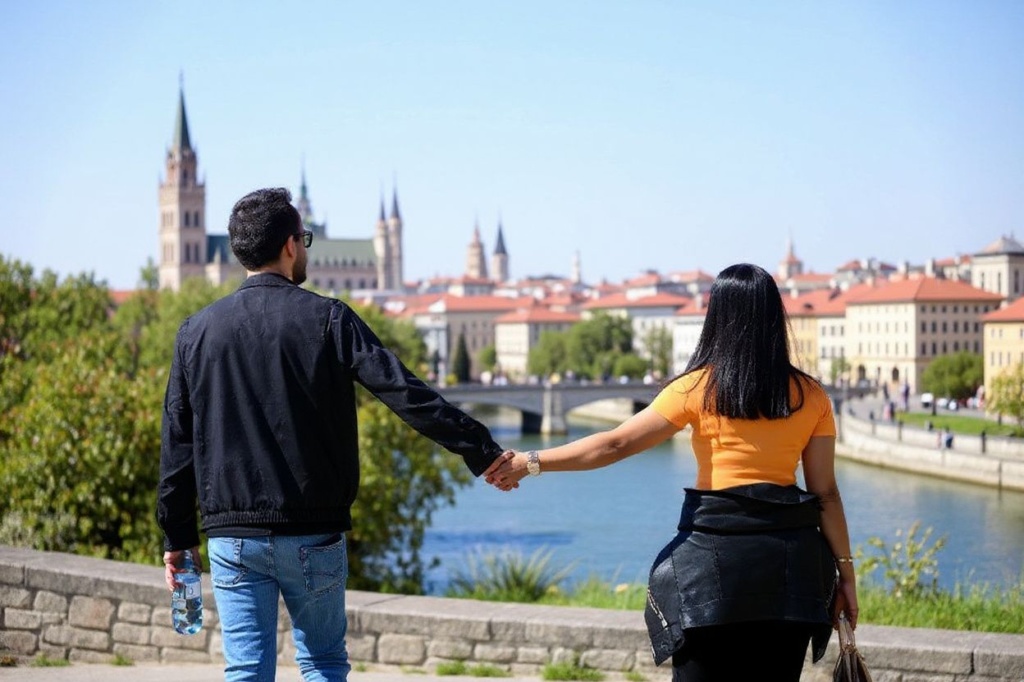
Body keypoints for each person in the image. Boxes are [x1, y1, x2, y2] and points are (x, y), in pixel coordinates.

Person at [158, 188, 507, 682]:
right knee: (322, 664)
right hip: (313, 531)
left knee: (245, 670)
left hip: (231, 534)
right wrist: (481, 450)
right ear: (290, 246)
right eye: (304, 238)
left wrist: (176, 535)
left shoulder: (195, 331)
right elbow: (402, 390)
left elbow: (178, 439)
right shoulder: (329, 318)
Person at [486, 263, 858, 682]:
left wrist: (529, 463)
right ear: (775, 316)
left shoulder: (696, 388)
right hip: (791, 571)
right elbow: (825, 493)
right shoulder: (812, 396)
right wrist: (846, 575)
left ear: (717, 316)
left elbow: (614, 444)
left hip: (711, 567)